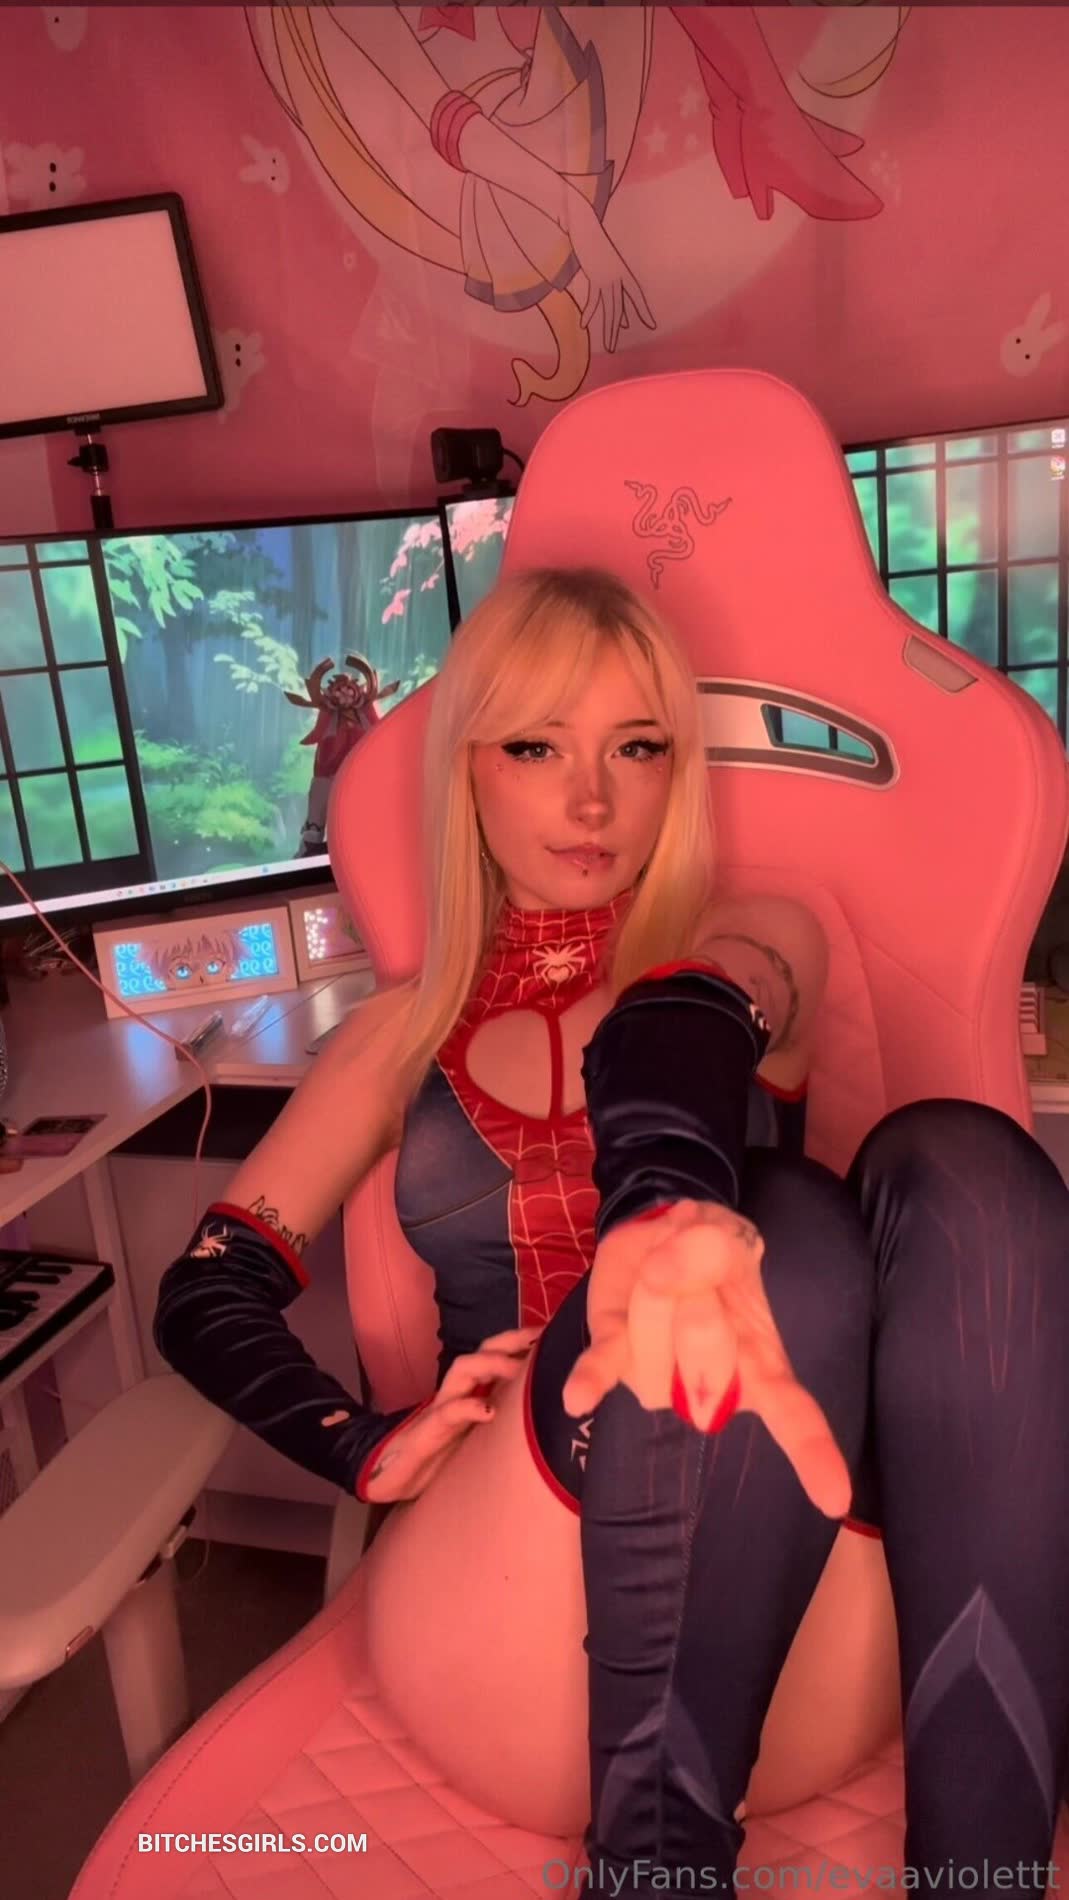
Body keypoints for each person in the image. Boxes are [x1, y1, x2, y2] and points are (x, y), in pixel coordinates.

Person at [154, 567, 1069, 1894]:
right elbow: (206, 1290)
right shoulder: (395, 1039)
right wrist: (360, 1441)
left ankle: (984, 1879)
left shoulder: (758, 939)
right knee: (790, 1224)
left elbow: (692, 1013)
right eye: (537, 748)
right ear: (469, 771)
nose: (592, 801)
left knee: (964, 1164)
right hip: (506, 1625)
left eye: (637, 749)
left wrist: (660, 1206)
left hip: (792, 1634)